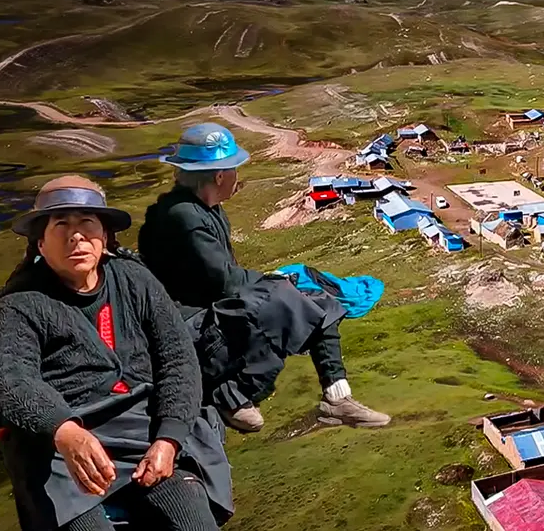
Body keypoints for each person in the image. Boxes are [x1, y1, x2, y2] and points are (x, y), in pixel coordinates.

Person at [0, 176, 233, 531]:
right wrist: (65, 431)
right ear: (40, 242)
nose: (76, 236)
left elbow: (178, 359)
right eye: (61, 225)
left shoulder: (135, 281)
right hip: (59, 448)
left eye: (87, 222)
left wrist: (169, 438)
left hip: (142, 431)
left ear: (104, 237)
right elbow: (11, 381)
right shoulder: (21, 305)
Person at [138, 123, 389, 433]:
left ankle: (337, 397)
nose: (236, 178)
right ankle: (232, 394)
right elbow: (226, 282)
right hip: (188, 322)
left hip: (212, 309)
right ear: (219, 175)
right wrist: (273, 281)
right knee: (286, 299)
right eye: (234, 170)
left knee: (317, 300)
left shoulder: (205, 209)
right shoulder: (183, 217)